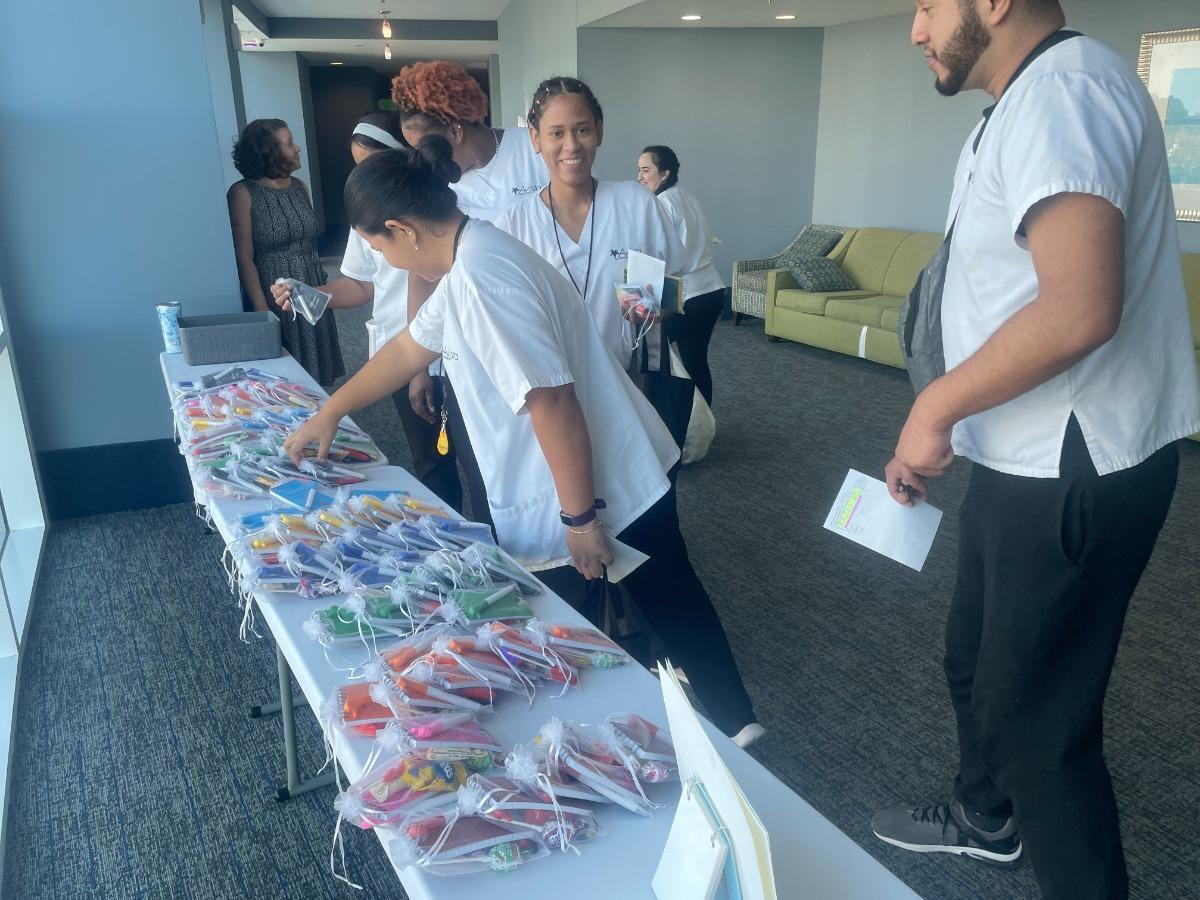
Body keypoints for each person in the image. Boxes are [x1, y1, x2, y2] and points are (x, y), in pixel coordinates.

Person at [869, 3, 1200, 898]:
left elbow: (1079, 305)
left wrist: (934, 407)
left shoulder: (1067, 89)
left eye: (928, 6)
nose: (914, 30)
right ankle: (986, 817)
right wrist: (948, 427)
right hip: (1023, 458)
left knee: (1039, 729)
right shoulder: (1019, 103)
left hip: (1076, 468)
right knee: (972, 662)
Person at [282, 141, 763, 747]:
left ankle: (722, 735)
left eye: (381, 250)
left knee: (640, 606)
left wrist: (581, 517)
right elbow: (409, 347)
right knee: (659, 600)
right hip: (590, 471)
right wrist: (331, 411)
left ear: (403, 229)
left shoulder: (483, 274)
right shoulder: (469, 256)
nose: (390, 264)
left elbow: (552, 400)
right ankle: (730, 726)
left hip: (597, 480)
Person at [271, 110, 462, 509]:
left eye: (370, 164)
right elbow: (360, 284)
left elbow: (426, 283)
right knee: (431, 460)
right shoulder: (370, 212)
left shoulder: (443, 222)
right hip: (400, 355)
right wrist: (310, 292)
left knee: (481, 465)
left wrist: (420, 367)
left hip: (447, 353)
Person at [390, 60, 550, 527]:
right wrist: (420, 365)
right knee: (488, 474)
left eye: (422, 146)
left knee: (550, 460)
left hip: (543, 332)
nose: (419, 160)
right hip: (471, 344)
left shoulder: (532, 151)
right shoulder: (435, 184)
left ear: (456, 129)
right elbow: (420, 271)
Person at [495, 77, 689, 445]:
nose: (571, 145)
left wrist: (656, 308)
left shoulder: (636, 204)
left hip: (632, 385)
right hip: (554, 396)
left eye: (582, 129)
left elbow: (675, 284)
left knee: (643, 493)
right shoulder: (513, 224)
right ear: (535, 140)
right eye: (556, 133)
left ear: (598, 131)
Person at [227, 118, 344, 386]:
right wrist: (261, 310)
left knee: (317, 364)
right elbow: (243, 256)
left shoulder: (299, 186)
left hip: (311, 282)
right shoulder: (243, 193)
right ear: (269, 152)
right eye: (289, 143)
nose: (297, 149)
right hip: (274, 290)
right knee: (284, 372)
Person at [637, 145, 726, 406]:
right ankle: (700, 431)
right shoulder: (688, 197)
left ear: (664, 174)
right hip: (712, 292)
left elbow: (657, 256)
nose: (639, 176)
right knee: (696, 361)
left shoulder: (661, 203)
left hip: (686, 296)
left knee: (646, 354)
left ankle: (665, 423)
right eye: (638, 170)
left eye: (645, 170)